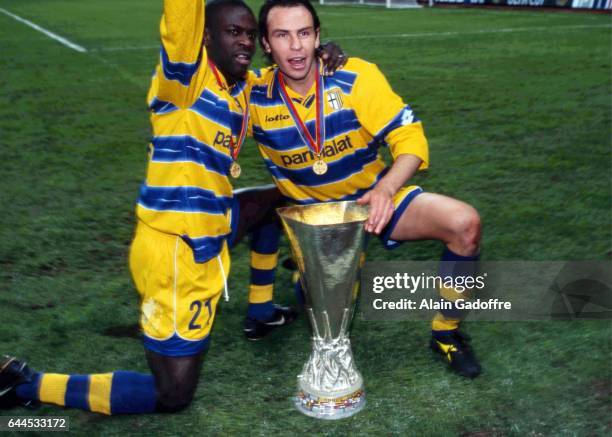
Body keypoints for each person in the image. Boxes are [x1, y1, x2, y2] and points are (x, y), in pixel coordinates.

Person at [0, 0, 344, 414]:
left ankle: (262, 312)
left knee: (279, 198)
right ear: (204, 38)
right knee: (173, 394)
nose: (245, 41)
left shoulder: (239, 87)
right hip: (178, 254)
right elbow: (181, 17)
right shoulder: (186, 79)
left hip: (210, 221)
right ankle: (26, 384)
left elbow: (282, 77)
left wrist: (322, 55)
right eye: (232, 32)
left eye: (250, 34)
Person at [249, 0, 483, 378]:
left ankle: (446, 334)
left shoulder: (355, 76)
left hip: (373, 198)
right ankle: (316, 303)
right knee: (319, 303)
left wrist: (386, 190)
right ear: (266, 44)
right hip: (318, 220)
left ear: (318, 36)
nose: (296, 47)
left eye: (304, 33)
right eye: (282, 35)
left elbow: (409, 138)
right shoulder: (253, 94)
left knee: (464, 224)